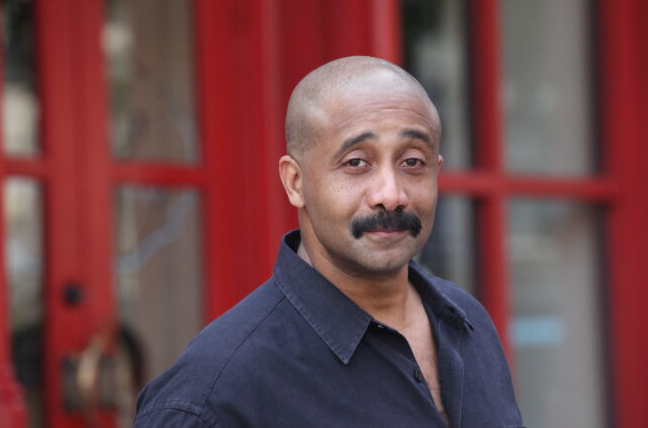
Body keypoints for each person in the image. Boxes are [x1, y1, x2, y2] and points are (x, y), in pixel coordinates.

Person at [135, 56, 524, 427]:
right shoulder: (213, 394)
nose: (391, 194)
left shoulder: (468, 323)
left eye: (412, 162)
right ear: (295, 182)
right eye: (356, 162)